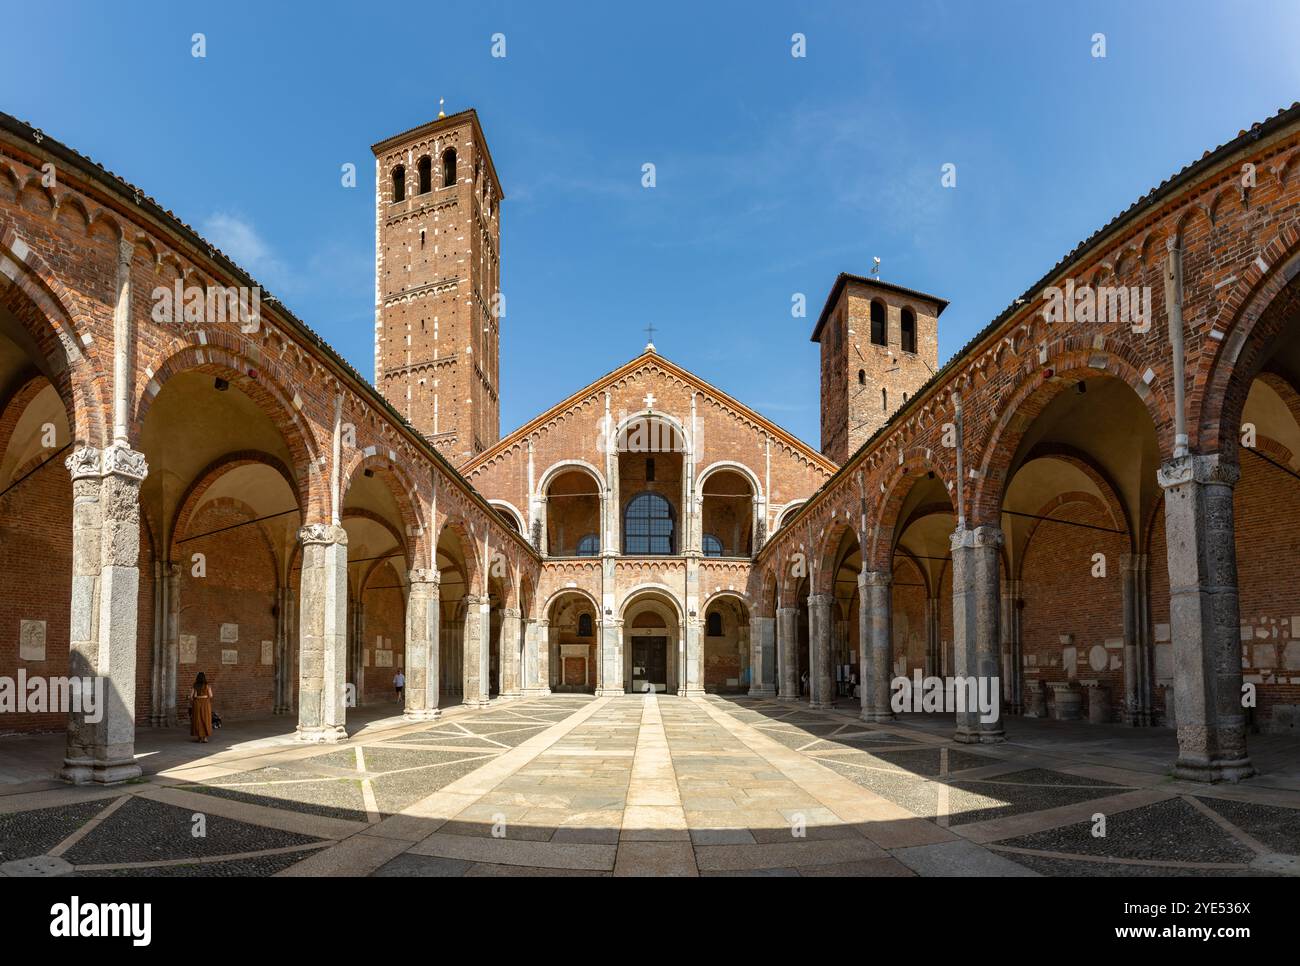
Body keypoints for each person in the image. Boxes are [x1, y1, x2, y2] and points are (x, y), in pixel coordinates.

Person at [189, 672, 214, 743]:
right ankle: (205, 738)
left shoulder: (195, 685)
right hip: (205, 703)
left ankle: (199, 737)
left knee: (198, 719)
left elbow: (191, 696)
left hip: (197, 703)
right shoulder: (207, 685)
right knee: (205, 719)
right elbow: (211, 695)